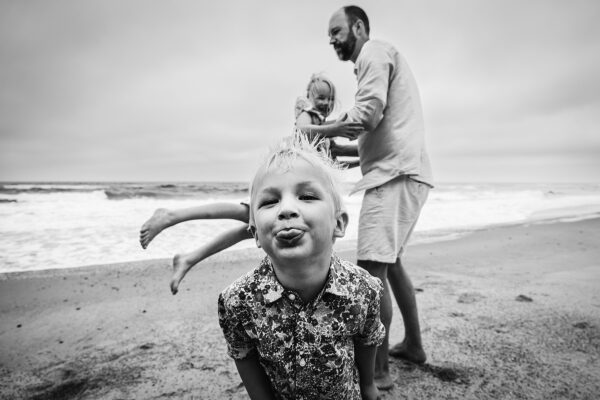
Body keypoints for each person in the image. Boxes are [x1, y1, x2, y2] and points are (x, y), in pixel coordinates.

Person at [139, 74, 362, 295]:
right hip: (282, 189)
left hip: (290, 195)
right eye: (321, 97)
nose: (326, 103)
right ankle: (171, 216)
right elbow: (301, 131)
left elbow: (335, 158)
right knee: (239, 213)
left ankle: (189, 258)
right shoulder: (308, 116)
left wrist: (365, 157)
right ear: (309, 97)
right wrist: (335, 130)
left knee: (247, 229)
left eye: (330, 99)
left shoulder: (323, 128)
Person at [218, 135, 385, 400]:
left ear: (338, 224)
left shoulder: (364, 289)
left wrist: (367, 385)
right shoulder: (238, 300)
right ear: (256, 234)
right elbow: (243, 353)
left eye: (306, 196)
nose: (286, 209)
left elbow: (367, 340)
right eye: (269, 201)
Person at [322, 5, 434, 390]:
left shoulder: (373, 52)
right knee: (392, 263)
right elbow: (375, 137)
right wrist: (338, 151)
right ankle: (414, 347)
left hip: (394, 178)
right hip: (404, 171)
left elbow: (367, 116)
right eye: (329, 36)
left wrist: (321, 130)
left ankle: (380, 371)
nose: (333, 40)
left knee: (371, 273)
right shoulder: (378, 60)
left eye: (336, 31)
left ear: (358, 26)